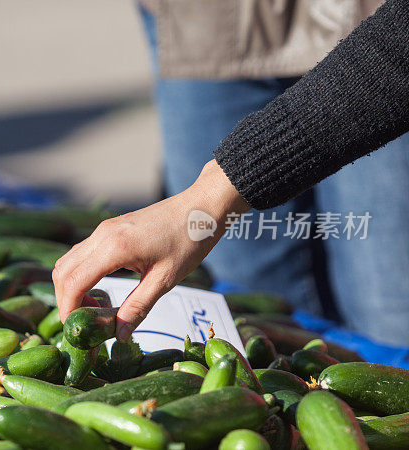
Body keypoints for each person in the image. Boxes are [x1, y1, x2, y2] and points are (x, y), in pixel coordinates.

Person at [54, 0, 409, 345]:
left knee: (390, 310)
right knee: (245, 295)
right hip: (208, 18)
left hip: (378, 17)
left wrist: (207, 198)